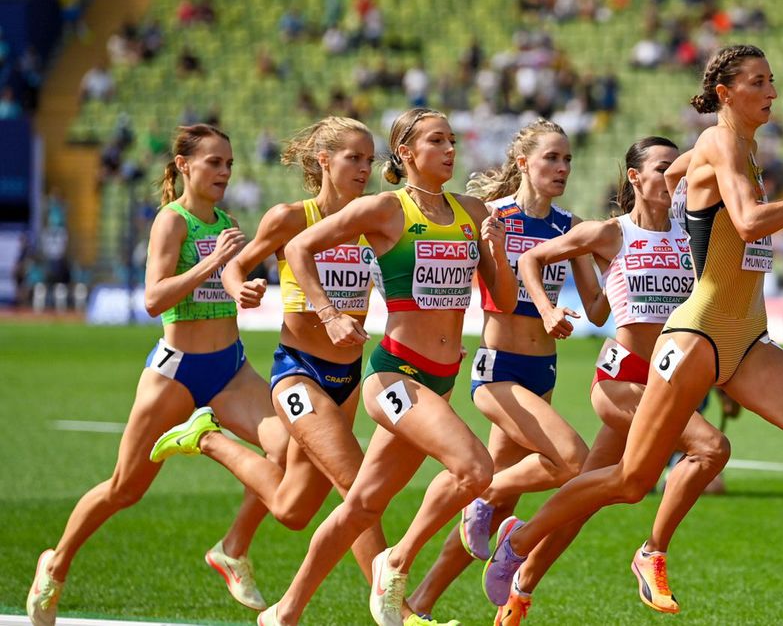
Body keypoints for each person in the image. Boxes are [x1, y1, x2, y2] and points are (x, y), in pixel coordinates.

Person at [482, 45, 783, 626]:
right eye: (759, 82)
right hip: (695, 336)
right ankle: (523, 541)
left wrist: (681, 184)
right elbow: (752, 221)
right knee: (632, 481)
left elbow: (690, 177)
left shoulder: (742, 152)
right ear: (726, 93)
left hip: (747, 336)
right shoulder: (719, 141)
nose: (773, 92)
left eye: (773, 80)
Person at [257, 108, 516, 626]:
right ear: (407, 153)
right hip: (394, 375)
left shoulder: (471, 211)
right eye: (436, 141)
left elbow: (504, 302)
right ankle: (394, 564)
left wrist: (497, 250)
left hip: (440, 380)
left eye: (451, 141)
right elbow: (300, 246)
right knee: (475, 469)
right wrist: (329, 314)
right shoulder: (384, 209)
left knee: (361, 505)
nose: (450, 150)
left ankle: (284, 612)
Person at [26, 125, 292, 625]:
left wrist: (242, 291)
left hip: (230, 369)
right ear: (185, 165)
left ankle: (233, 549)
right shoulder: (172, 222)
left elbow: (230, 279)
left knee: (290, 451)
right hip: (175, 373)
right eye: (214, 162)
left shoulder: (229, 221)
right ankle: (55, 563)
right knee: (126, 488)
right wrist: (211, 263)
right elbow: (153, 300)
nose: (224, 172)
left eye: (229, 164)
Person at [148, 117, 388, 580]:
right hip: (299, 370)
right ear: (324, 161)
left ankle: (207, 438)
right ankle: (394, 601)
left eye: (368, 159)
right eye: (352, 158)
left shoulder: (375, 220)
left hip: (350, 376)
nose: (363, 168)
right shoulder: (291, 218)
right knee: (359, 487)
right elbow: (236, 264)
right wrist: (239, 289)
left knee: (292, 509)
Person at [404, 119, 603, 617]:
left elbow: (598, 310)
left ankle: (421, 602)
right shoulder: (489, 216)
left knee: (495, 514)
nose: (562, 168)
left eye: (567, 160)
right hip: (498, 369)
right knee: (571, 462)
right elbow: (444, 277)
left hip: (544, 373)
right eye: (551, 159)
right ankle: (485, 495)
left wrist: (620, 255)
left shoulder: (570, 227)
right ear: (523, 164)